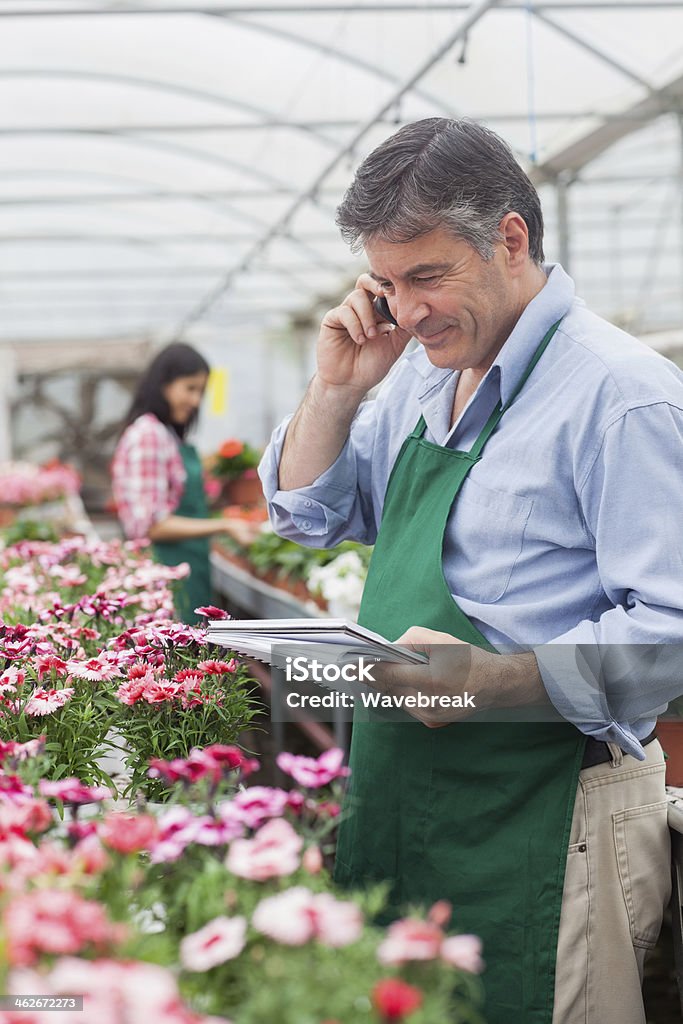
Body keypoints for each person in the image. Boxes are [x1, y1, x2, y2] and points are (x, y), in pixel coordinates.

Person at [260, 118, 683, 1024]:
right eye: (388, 282)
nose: (407, 312)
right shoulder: (416, 375)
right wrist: (336, 387)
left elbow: (671, 639)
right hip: (409, 797)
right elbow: (311, 515)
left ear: (510, 239)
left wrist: (487, 683)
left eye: (428, 276)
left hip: (545, 818)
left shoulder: (619, 397)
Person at [111, 342, 257, 622]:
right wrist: (225, 524)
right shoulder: (149, 435)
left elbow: (175, 502)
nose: (196, 401)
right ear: (163, 385)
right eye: (189, 388)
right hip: (166, 576)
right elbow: (151, 525)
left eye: (200, 391)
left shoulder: (166, 435)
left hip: (187, 569)